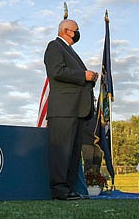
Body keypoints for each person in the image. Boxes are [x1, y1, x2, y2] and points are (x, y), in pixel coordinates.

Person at [43, 19, 98, 200]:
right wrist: (84, 75)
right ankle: (59, 189)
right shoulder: (54, 47)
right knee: (62, 152)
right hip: (63, 110)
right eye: (76, 30)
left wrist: (90, 78)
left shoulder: (70, 50)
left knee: (74, 154)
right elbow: (57, 72)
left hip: (77, 110)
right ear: (66, 31)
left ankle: (70, 188)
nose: (78, 33)